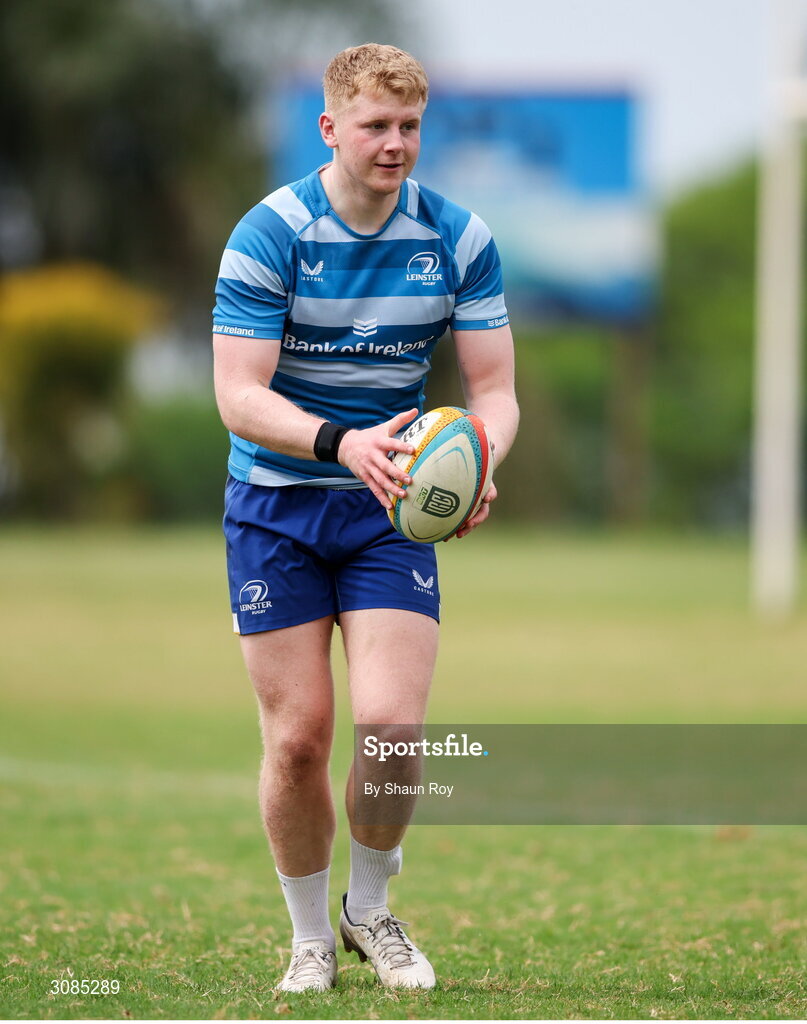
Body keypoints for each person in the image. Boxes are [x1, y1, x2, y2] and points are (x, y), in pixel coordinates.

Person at [211, 43, 519, 993]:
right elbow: (237, 394)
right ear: (330, 127)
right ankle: (309, 935)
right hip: (278, 505)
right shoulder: (271, 235)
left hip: (389, 514)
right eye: (376, 126)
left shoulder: (457, 239)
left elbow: (495, 390)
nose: (394, 145)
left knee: (390, 729)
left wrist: (477, 465)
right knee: (299, 737)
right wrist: (341, 442)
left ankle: (370, 911)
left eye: (409, 127)